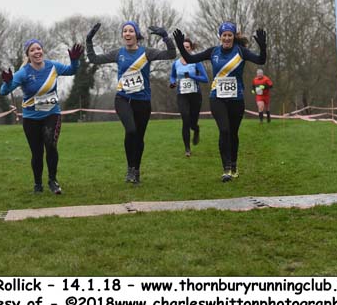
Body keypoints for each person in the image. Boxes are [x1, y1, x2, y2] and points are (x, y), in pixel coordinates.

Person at [173, 22, 266, 182]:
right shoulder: (213, 52)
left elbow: (261, 60)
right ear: (220, 37)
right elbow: (190, 58)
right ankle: (226, 169)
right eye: (224, 35)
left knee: (233, 134)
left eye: (230, 35)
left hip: (236, 99)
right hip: (217, 97)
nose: (227, 38)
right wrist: (181, 46)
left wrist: (263, 47)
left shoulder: (240, 51)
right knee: (224, 130)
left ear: (233, 36)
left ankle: (234, 165)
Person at [86, 21, 176, 184]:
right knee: (131, 130)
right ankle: (130, 168)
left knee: (139, 137)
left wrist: (165, 37)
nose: (127, 34)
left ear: (136, 35)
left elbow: (171, 54)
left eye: (131, 31)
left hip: (143, 101)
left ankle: (136, 170)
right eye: (125, 31)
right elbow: (93, 59)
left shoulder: (146, 52)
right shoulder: (118, 53)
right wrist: (89, 40)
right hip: (123, 99)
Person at [0, 39, 84, 194]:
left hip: (52, 114)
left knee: (51, 145)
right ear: (28, 55)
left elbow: (72, 70)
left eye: (39, 48)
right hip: (31, 118)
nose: (37, 52)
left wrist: (74, 61)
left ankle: (53, 181)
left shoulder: (53, 66)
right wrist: (8, 82)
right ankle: (38, 184)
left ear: (42, 50)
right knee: (37, 153)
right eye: (32, 50)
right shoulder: (23, 72)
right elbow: (4, 91)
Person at [169, 37, 209, 157]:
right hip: (182, 95)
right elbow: (172, 76)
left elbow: (205, 79)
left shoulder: (196, 62)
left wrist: (192, 76)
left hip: (195, 95)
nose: (185, 49)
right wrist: (172, 82)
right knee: (185, 119)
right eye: (183, 47)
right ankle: (187, 149)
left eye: (187, 47)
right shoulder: (176, 63)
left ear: (191, 49)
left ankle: (196, 129)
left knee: (192, 122)